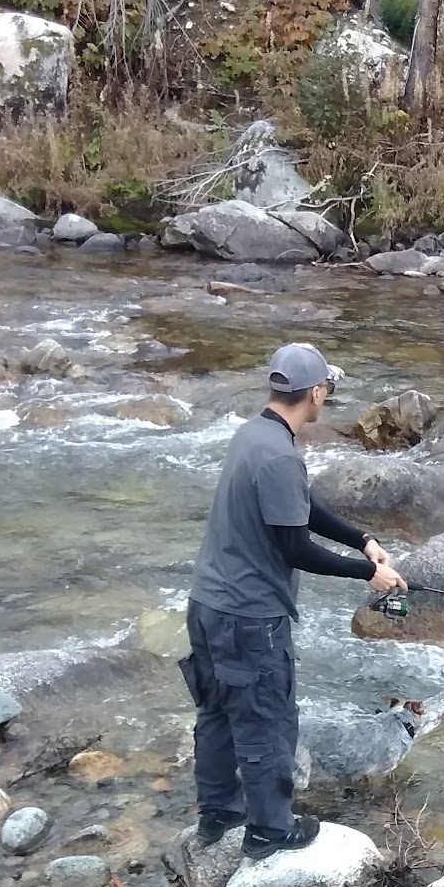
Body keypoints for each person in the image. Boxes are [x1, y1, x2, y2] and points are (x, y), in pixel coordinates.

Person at [183, 343, 407, 860]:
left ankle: (218, 812)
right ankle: (269, 830)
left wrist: (362, 539)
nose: (327, 396)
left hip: (207, 605)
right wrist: (368, 573)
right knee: (267, 719)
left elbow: (299, 506)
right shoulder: (279, 456)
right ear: (315, 392)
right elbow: (295, 548)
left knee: (216, 713)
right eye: (327, 387)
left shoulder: (252, 435)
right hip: (250, 617)